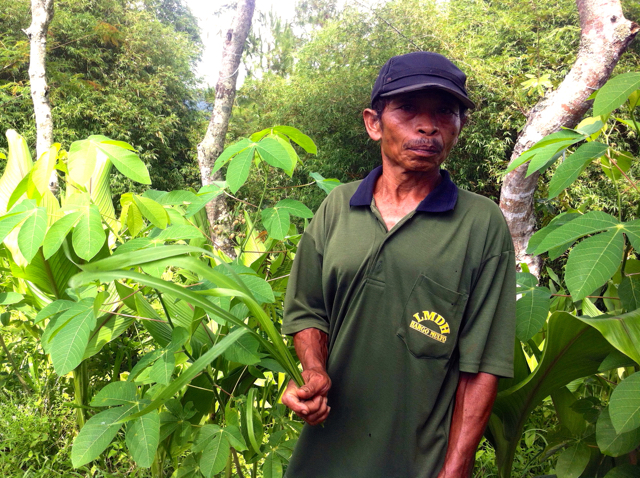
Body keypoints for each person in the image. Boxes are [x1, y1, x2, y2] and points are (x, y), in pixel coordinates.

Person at [281, 51, 516, 478]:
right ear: (374, 122)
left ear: (459, 127)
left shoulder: (481, 224)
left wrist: (456, 467)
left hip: (417, 462)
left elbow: (482, 363)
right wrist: (313, 369)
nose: (428, 126)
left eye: (445, 111)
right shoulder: (337, 206)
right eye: (408, 109)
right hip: (324, 454)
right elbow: (308, 309)